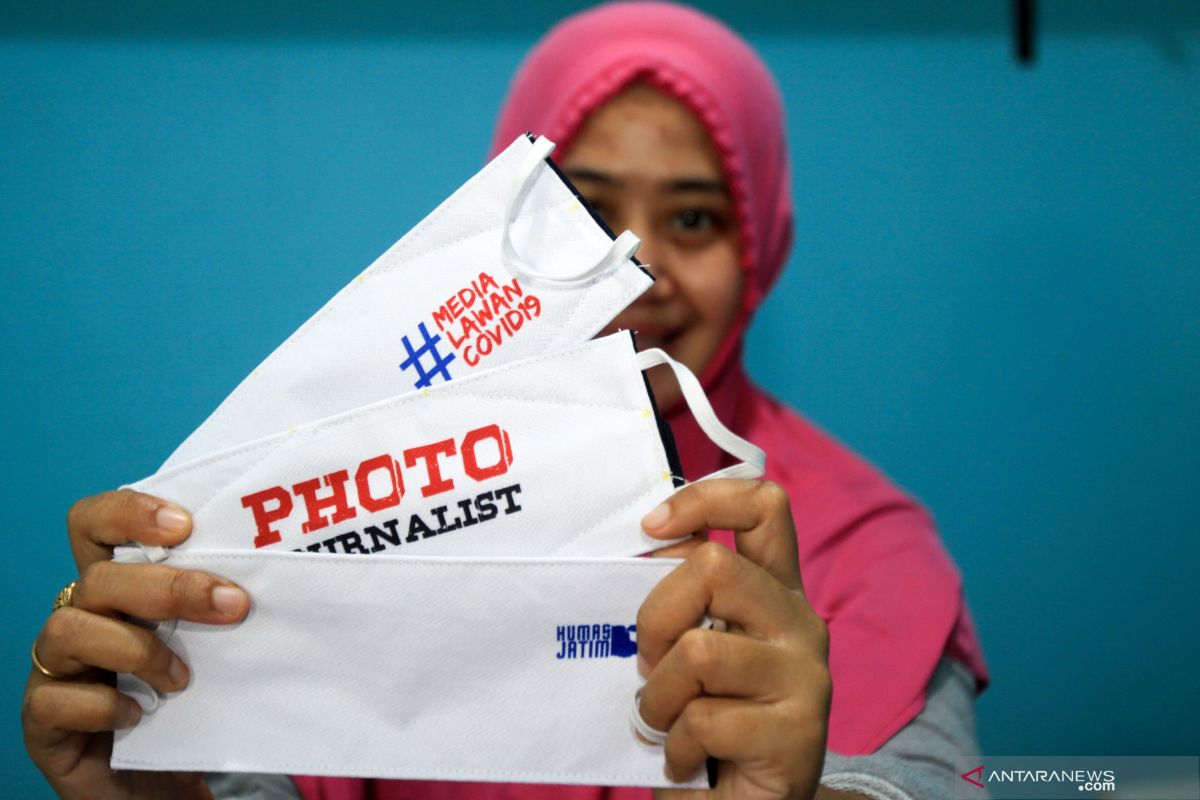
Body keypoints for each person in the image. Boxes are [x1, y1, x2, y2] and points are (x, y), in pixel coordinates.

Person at [22, 3, 988, 799]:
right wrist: (167, 779)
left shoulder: (864, 546)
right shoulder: (351, 479)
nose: (636, 266)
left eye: (692, 217)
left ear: (760, 248)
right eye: (587, 211)